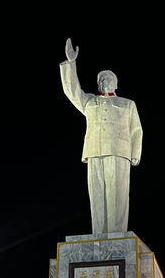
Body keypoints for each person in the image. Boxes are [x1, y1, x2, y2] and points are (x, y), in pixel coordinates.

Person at [60, 38, 143, 234]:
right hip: (94, 150)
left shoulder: (127, 104)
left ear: (116, 83)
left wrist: (135, 153)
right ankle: (98, 233)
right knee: (97, 196)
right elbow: (72, 92)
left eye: (109, 78)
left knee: (117, 195)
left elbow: (136, 129)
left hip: (119, 151)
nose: (105, 81)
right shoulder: (89, 102)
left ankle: (116, 234)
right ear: (98, 84)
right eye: (102, 79)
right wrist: (71, 64)